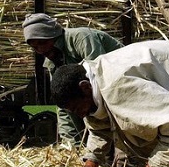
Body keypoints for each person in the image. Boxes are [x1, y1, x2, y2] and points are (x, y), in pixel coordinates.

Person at [22, 13, 124, 145]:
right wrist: (71, 145)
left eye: (43, 42)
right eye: (35, 47)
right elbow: (63, 103)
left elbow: (102, 84)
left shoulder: (82, 39)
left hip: (120, 87)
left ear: (53, 35)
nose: (41, 50)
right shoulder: (52, 61)